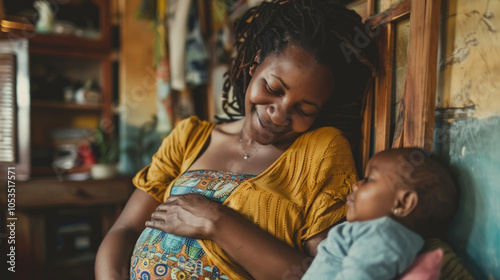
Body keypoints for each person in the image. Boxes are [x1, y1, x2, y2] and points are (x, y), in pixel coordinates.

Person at [95, 1, 377, 279]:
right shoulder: (189, 137)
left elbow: (320, 274)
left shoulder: (321, 151)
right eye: (273, 88)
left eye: (304, 109)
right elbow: (126, 230)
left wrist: (216, 221)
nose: (279, 115)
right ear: (254, 64)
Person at [302, 148, 459, 280]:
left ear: (403, 203)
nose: (356, 185)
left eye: (369, 180)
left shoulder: (384, 234)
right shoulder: (377, 231)